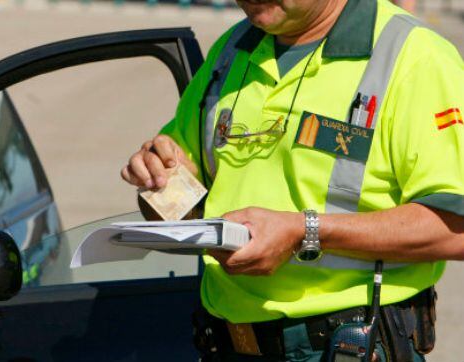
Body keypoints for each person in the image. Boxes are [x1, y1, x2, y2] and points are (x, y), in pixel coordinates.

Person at [121, 0, 464, 360]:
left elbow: (455, 228)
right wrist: (158, 178)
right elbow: (180, 197)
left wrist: (306, 231)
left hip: (346, 346)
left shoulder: (415, 57)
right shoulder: (233, 50)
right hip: (222, 341)